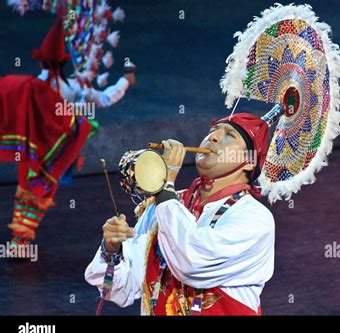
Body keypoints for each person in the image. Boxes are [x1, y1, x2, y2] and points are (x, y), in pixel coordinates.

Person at [85, 113, 275, 315]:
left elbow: (191, 262)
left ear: (249, 161)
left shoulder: (254, 218)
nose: (213, 137)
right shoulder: (167, 204)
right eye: (213, 130)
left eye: (229, 134)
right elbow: (120, 289)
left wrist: (164, 185)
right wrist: (112, 250)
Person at [0, 16, 93, 249]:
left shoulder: (30, 84)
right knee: (39, 190)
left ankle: (19, 240)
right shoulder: (67, 89)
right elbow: (78, 112)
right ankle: (21, 239)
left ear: (42, 62)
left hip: (31, 146)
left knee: (26, 185)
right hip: (48, 147)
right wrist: (80, 127)